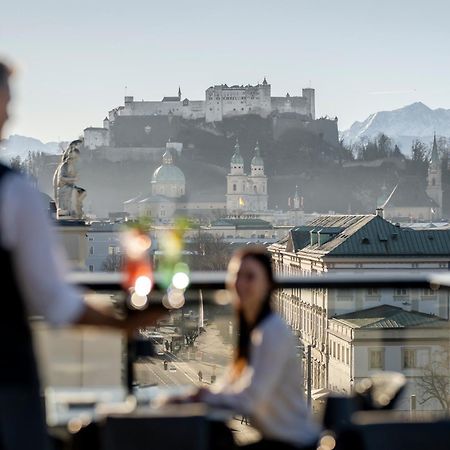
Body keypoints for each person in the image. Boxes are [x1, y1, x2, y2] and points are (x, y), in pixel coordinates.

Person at [0, 61, 165, 450]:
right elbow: (55, 299)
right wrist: (123, 324)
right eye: (6, 100)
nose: (9, 112)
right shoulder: (13, 194)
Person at [188, 246, 320, 450]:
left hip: (293, 443)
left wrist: (204, 397)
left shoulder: (271, 331)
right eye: (236, 276)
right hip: (282, 440)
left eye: (250, 277)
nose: (240, 283)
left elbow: (250, 398)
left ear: (267, 284)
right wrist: (202, 394)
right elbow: (233, 383)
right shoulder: (257, 328)